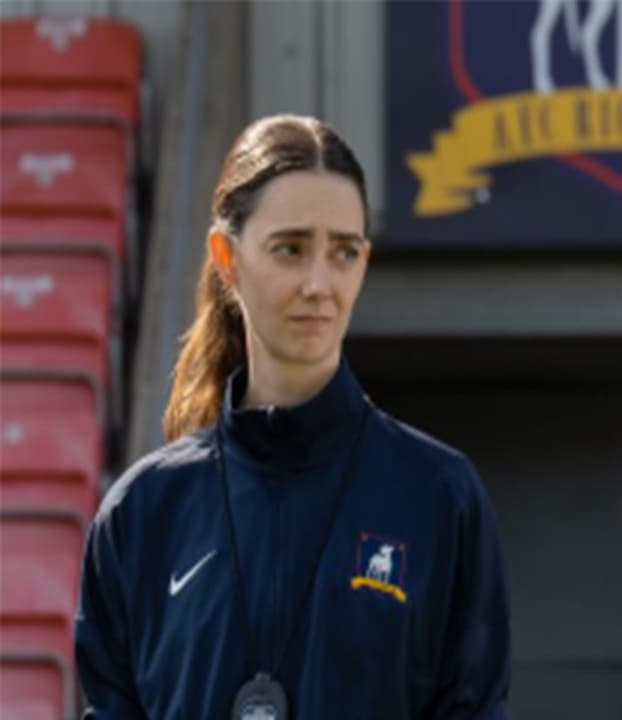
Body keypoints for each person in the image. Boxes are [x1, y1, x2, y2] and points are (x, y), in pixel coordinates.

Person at [75, 114, 510, 719]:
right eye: (291, 249)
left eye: (343, 252)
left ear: (364, 263)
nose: (318, 284)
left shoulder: (440, 498)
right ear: (226, 257)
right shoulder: (143, 513)